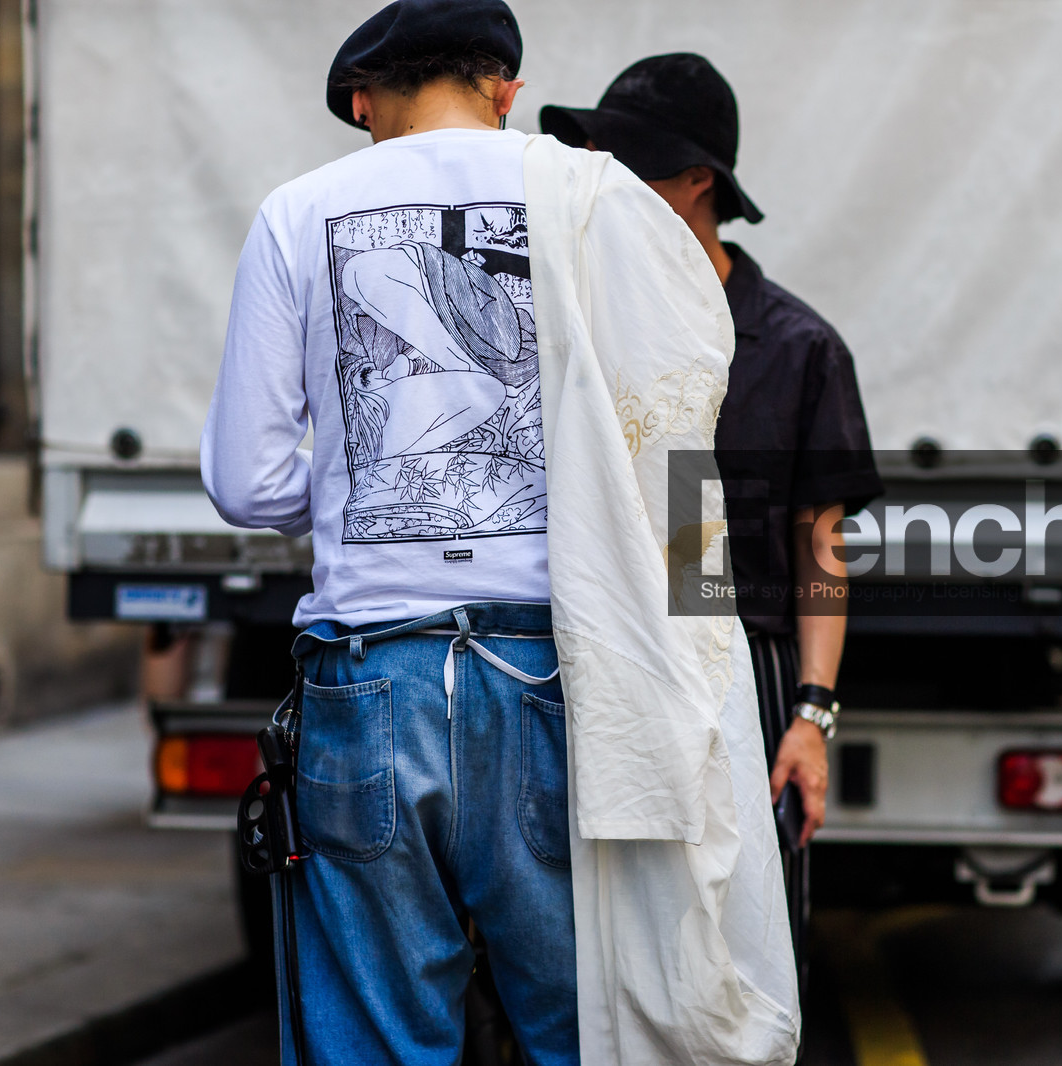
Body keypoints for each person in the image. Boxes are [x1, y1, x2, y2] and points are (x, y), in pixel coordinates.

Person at [203, 5, 799, 1064]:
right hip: (559, 677)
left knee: (374, 1038)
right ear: (506, 89)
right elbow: (676, 444)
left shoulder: (297, 213)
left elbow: (245, 483)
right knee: (584, 1026)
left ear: (361, 102)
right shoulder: (597, 196)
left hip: (368, 680)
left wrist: (357, 491)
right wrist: (706, 674)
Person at [542, 53, 884, 986]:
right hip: (596, 668)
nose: (606, 183)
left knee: (743, 959)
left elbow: (819, 547)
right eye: (596, 159)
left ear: (701, 182)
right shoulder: (577, 323)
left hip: (747, 673)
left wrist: (810, 715)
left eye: (631, 161)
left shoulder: (794, 346)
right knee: (607, 963)